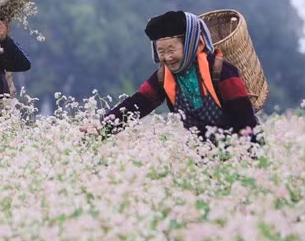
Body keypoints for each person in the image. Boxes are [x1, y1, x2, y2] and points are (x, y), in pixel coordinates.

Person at [82, 10, 260, 144]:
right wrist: (102, 127)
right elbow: (137, 103)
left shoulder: (221, 70)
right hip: (202, 154)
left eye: (172, 50)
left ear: (189, 44)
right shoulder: (163, 77)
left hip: (238, 150)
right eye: (161, 51)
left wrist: (246, 156)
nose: (167, 57)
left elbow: (244, 115)